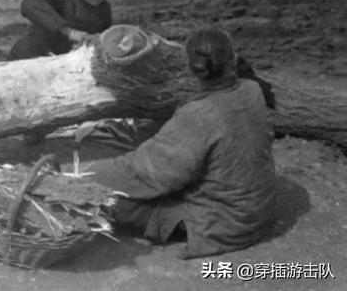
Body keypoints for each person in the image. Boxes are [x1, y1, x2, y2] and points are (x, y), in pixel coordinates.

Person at [90, 28, 277, 259]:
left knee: (109, 194)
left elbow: (154, 173)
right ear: (234, 60)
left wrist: (87, 174)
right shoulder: (253, 89)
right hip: (259, 209)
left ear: (190, 69)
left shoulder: (199, 114)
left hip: (226, 224)